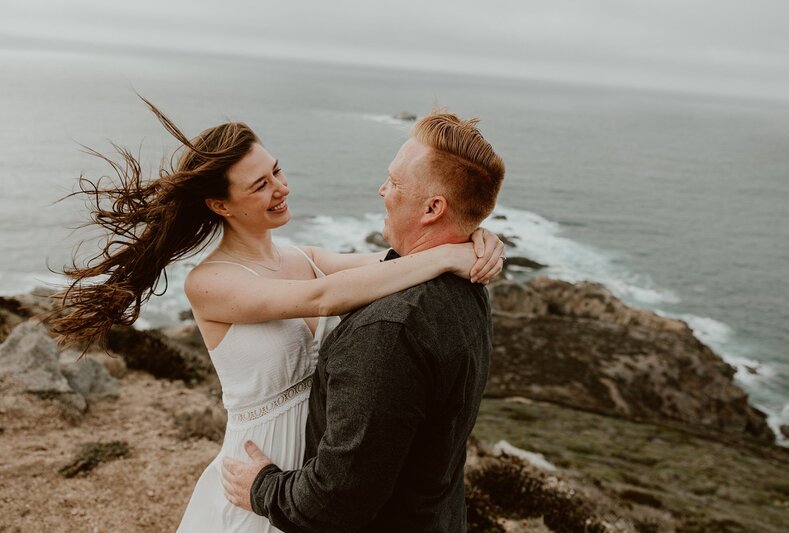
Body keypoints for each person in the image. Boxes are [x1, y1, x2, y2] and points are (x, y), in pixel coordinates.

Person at [52, 100, 505, 533]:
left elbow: (395, 262)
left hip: (317, 461)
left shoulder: (305, 256)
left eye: (277, 170)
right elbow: (324, 297)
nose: (280, 188)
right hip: (258, 463)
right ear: (221, 205)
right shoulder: (210, 283)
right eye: (260, 185)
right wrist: (448, 256)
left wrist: (475, 238)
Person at [221, 110, 505, 532]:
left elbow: (335, 502)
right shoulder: (467, 286)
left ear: (433, 208)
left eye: (394, 182)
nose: (381, 190)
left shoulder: (388, 333)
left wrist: (262, 489)